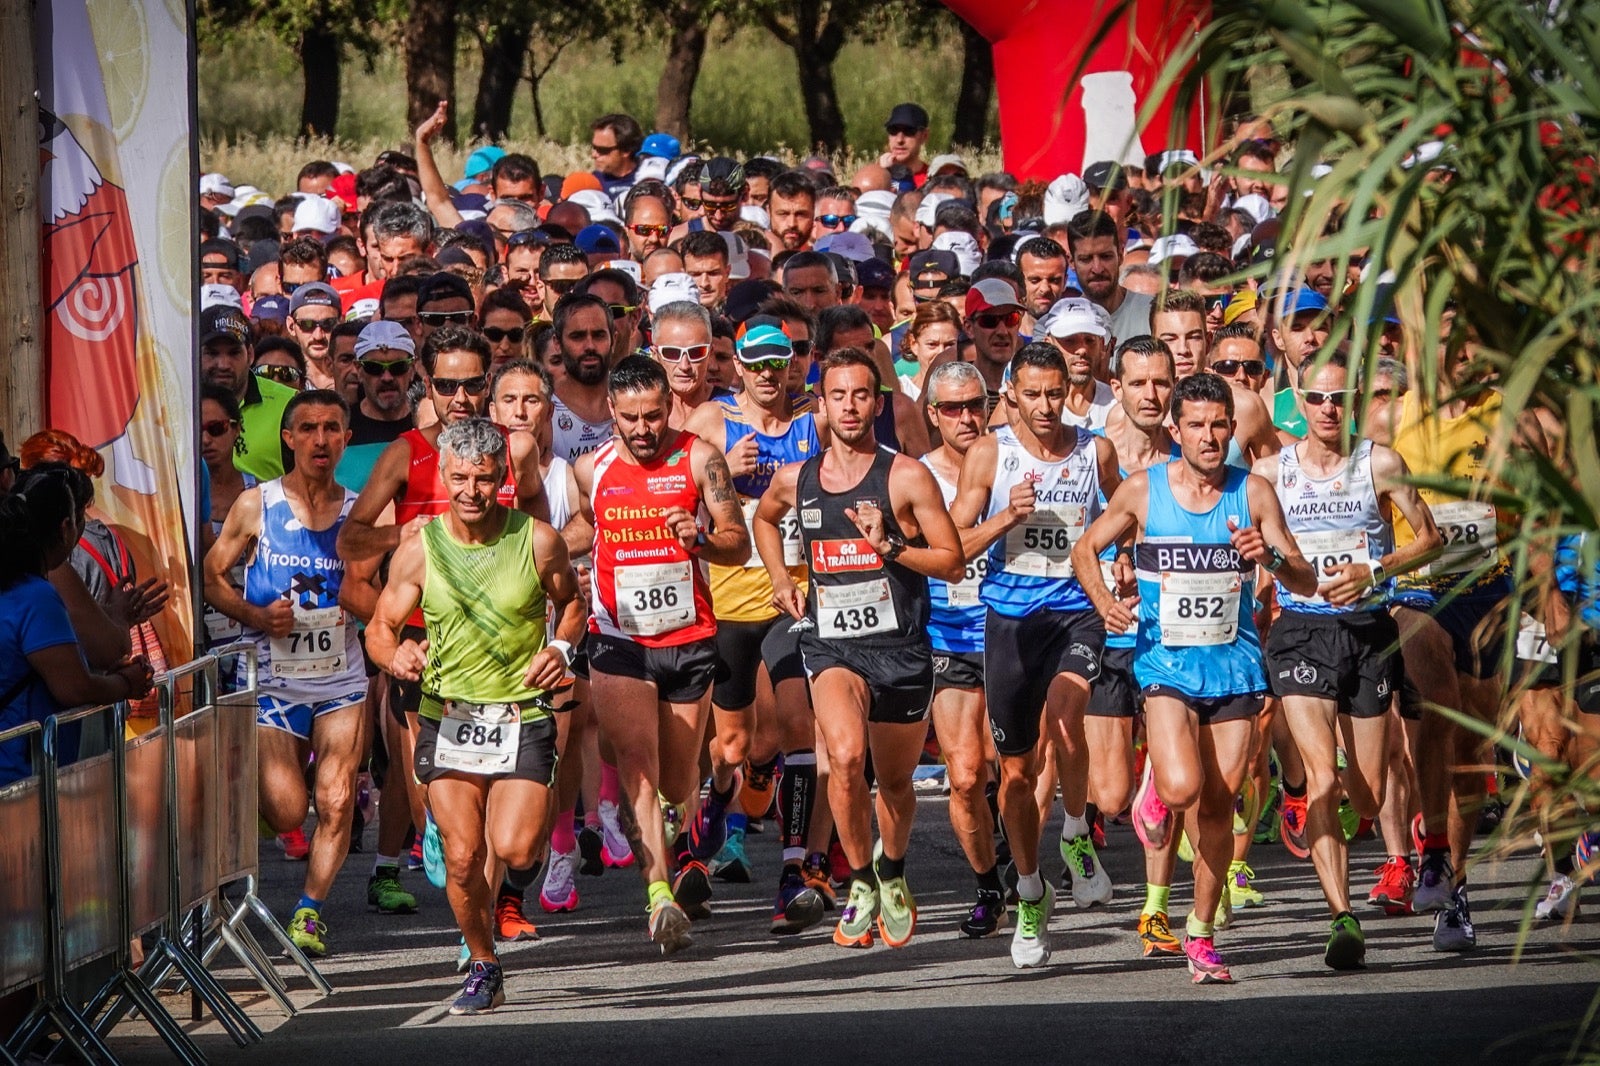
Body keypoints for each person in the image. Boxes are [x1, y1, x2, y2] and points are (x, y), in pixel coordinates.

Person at [1073, 372, 1318, 984]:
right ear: (1175, 430)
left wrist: (1269, 557)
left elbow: (1306, 578)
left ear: (1232, 430)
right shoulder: (1143, 490)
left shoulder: (1253, 492)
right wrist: (1105, 603)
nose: (1209, 437)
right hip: (1165, 665)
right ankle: (1159, 786)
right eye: (1196, 426)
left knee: (1217, 806)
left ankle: (1202, 933)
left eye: (1219, 426)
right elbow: (1085, 549)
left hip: (1234, 667)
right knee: (1183, 787)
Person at [366, 418, 585, 1015]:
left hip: (521, 714)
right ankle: (484, 964)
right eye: (459, 478)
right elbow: (380, 627)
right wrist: (396, 654)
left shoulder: (538, 541)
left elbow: (572, 604)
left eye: (484, 480)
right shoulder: (420, 549)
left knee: (515, 848)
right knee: (463, 857)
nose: (471, 491)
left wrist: (560, 648)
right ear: (443, 475)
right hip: (447, 716)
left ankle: (525, 858)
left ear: (502, 478)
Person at [753, 348, 964, 949]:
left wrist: (889, 546)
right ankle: (862, 882)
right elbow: (764, 519)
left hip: (900, 648)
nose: (849, 407)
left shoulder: (906, 476)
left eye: (861, 395)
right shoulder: (797, 479)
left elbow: (952, 561)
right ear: (820, 405)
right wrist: (780, 577)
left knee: (894, 783)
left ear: (878, 403)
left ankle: (891, 869)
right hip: (832, 646)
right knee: (844, 758)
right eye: (838, 395)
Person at [1255, 355, 1440, 969]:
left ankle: (1386, 836)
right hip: (1301, 633)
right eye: (1316, 398)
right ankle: (1342, 916)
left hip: (1367, 633)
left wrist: (1375, 570)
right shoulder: (1271, 472)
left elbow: (1430, 538)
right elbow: (1252, 544)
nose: (1328, 409)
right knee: (1323, 779)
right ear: (1298, 401)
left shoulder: (1380, 463)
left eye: (1339, 398)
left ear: (1354, 401)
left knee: (1365, 794)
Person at [946, 342, 1122, 967]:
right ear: (1011, 397)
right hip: (1011, 621)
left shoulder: (1095, 451)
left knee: (1068, 717)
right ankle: (1029, 890)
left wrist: (1123, 558)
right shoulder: (990, 453)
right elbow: (952, 544)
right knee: (1017, 775)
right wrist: (1004, 518)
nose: (1046, 406)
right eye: (1033, 394)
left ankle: (1075, 831)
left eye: (1055, 393)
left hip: (1076, 610)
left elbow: (1124, 515)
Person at [572, 355, 749, 954]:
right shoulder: (590, 468)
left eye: (652, 415)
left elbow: (737, 542)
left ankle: (691, 809)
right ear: (611, 412)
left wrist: (702, 539)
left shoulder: (700, 458)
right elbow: (585, 528)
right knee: (639, 766)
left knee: (676, 780)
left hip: (688, 638)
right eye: (630, 418)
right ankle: (658, 894)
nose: (643, 428)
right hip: (618, 639)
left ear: (668, 407)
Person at [204, 390, 379, 958]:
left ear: (346, 438)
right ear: (288, 438)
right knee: (285, 811)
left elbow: (381, 590)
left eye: (331, 428)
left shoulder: (361, 513)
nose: (320, 440)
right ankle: (270, 792)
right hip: (272, 678)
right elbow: (211, 576)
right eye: (307, 428)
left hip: (340, 677)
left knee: (336, 799)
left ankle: (308, 912)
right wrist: (255, 615)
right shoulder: (257, 504)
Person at [682, 316, 827, 931]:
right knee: (735, 748)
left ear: (793, 363)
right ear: (736, 365)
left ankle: (794, 872)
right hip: (727, 600)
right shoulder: (711, 423)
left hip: (795, 596)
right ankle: (706, 827)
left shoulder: (815, 421)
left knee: (797, 729)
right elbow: (675, 496)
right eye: (756, 363)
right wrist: (723, 474)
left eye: (779, 361)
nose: (769, 373)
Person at [1093, 337, 1185, 959]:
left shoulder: (1191, 456)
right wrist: (1105, 591)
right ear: (1116, 386)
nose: (1151, 395)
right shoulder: (1092, 453)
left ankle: (1155, 910)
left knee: (1165, 794)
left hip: (1169, 638)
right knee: (1110, 795)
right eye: (1138, 383)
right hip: (1105, 634)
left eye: (1161, 382)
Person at [918, 360, 1008, 936]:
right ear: (933, 414)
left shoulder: (1013, 463)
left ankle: (1017, 853)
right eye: (953, 408)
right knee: (967, 774)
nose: (967, 417)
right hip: (947, 635)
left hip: (1009, 630)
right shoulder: (915, 475)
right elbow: (934, 552)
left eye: (976, 404)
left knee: (1010, 766)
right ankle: (987, 886)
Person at [0, 465, 154, 787]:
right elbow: (75, 688)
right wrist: (127, 683)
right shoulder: (37, 596)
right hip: (21, 776)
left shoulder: (17, 587)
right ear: (66, 527)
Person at [201, 305, 293, 480]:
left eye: (234, 353)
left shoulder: (289, 404)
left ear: (250, 354)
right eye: (212, 353)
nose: (223, 365)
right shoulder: (174, 403)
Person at [1065, 211, 1153, 349]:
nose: (1097, 269)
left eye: (1106, 257)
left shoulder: (1153, 313)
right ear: (1071, 262)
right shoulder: (1058, 325)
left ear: (1120, 255)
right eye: (1086, 259)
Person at [548, 294, 618, 462]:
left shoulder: (634, 399)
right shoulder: (544, 408)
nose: (590, 346)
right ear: (557, 343)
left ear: (613, 340)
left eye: (599, 335)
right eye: (577, 336)